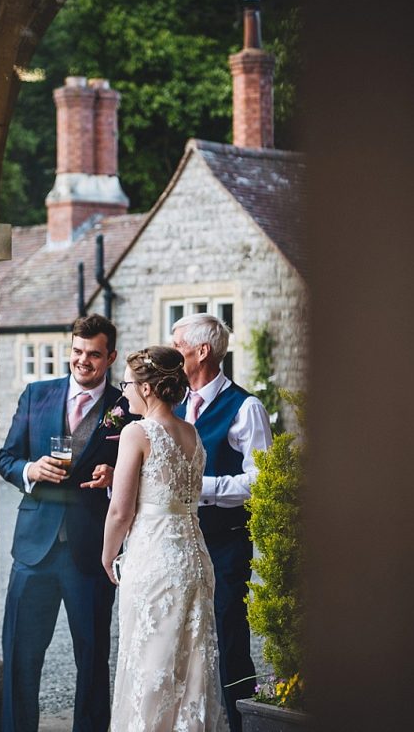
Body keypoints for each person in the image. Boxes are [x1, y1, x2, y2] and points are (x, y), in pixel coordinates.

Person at [0, 313, 130, 732]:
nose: (82, 361)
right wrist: (30, 471)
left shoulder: (124, 408)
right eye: (76, 351)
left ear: (109, 357)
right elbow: (5, 460)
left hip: (89, 551)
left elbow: (140, 472)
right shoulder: (36, 395)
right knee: (21, 656)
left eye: (93, 354)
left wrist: (114, 478)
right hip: (33, 549)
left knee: (92, 660)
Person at [102, 346, 230, 732]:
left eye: (126, 383)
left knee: (150, 663)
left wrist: (108, 556)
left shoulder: (136, 432)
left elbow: (121, 510)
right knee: (190, 670)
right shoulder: (191, 432)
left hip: (154, 559)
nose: (123, 392)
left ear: (147, 388)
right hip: (194, 557)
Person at [171, 313, 273, 732]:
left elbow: (260, 480)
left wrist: (201, 486)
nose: (172, 353)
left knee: (229, 641)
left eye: (177, 346)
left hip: (226, 544)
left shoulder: (245, 407)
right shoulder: (171, 402)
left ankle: (239, 725)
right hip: (178, 542)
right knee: (181, 642)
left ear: (202, 351)